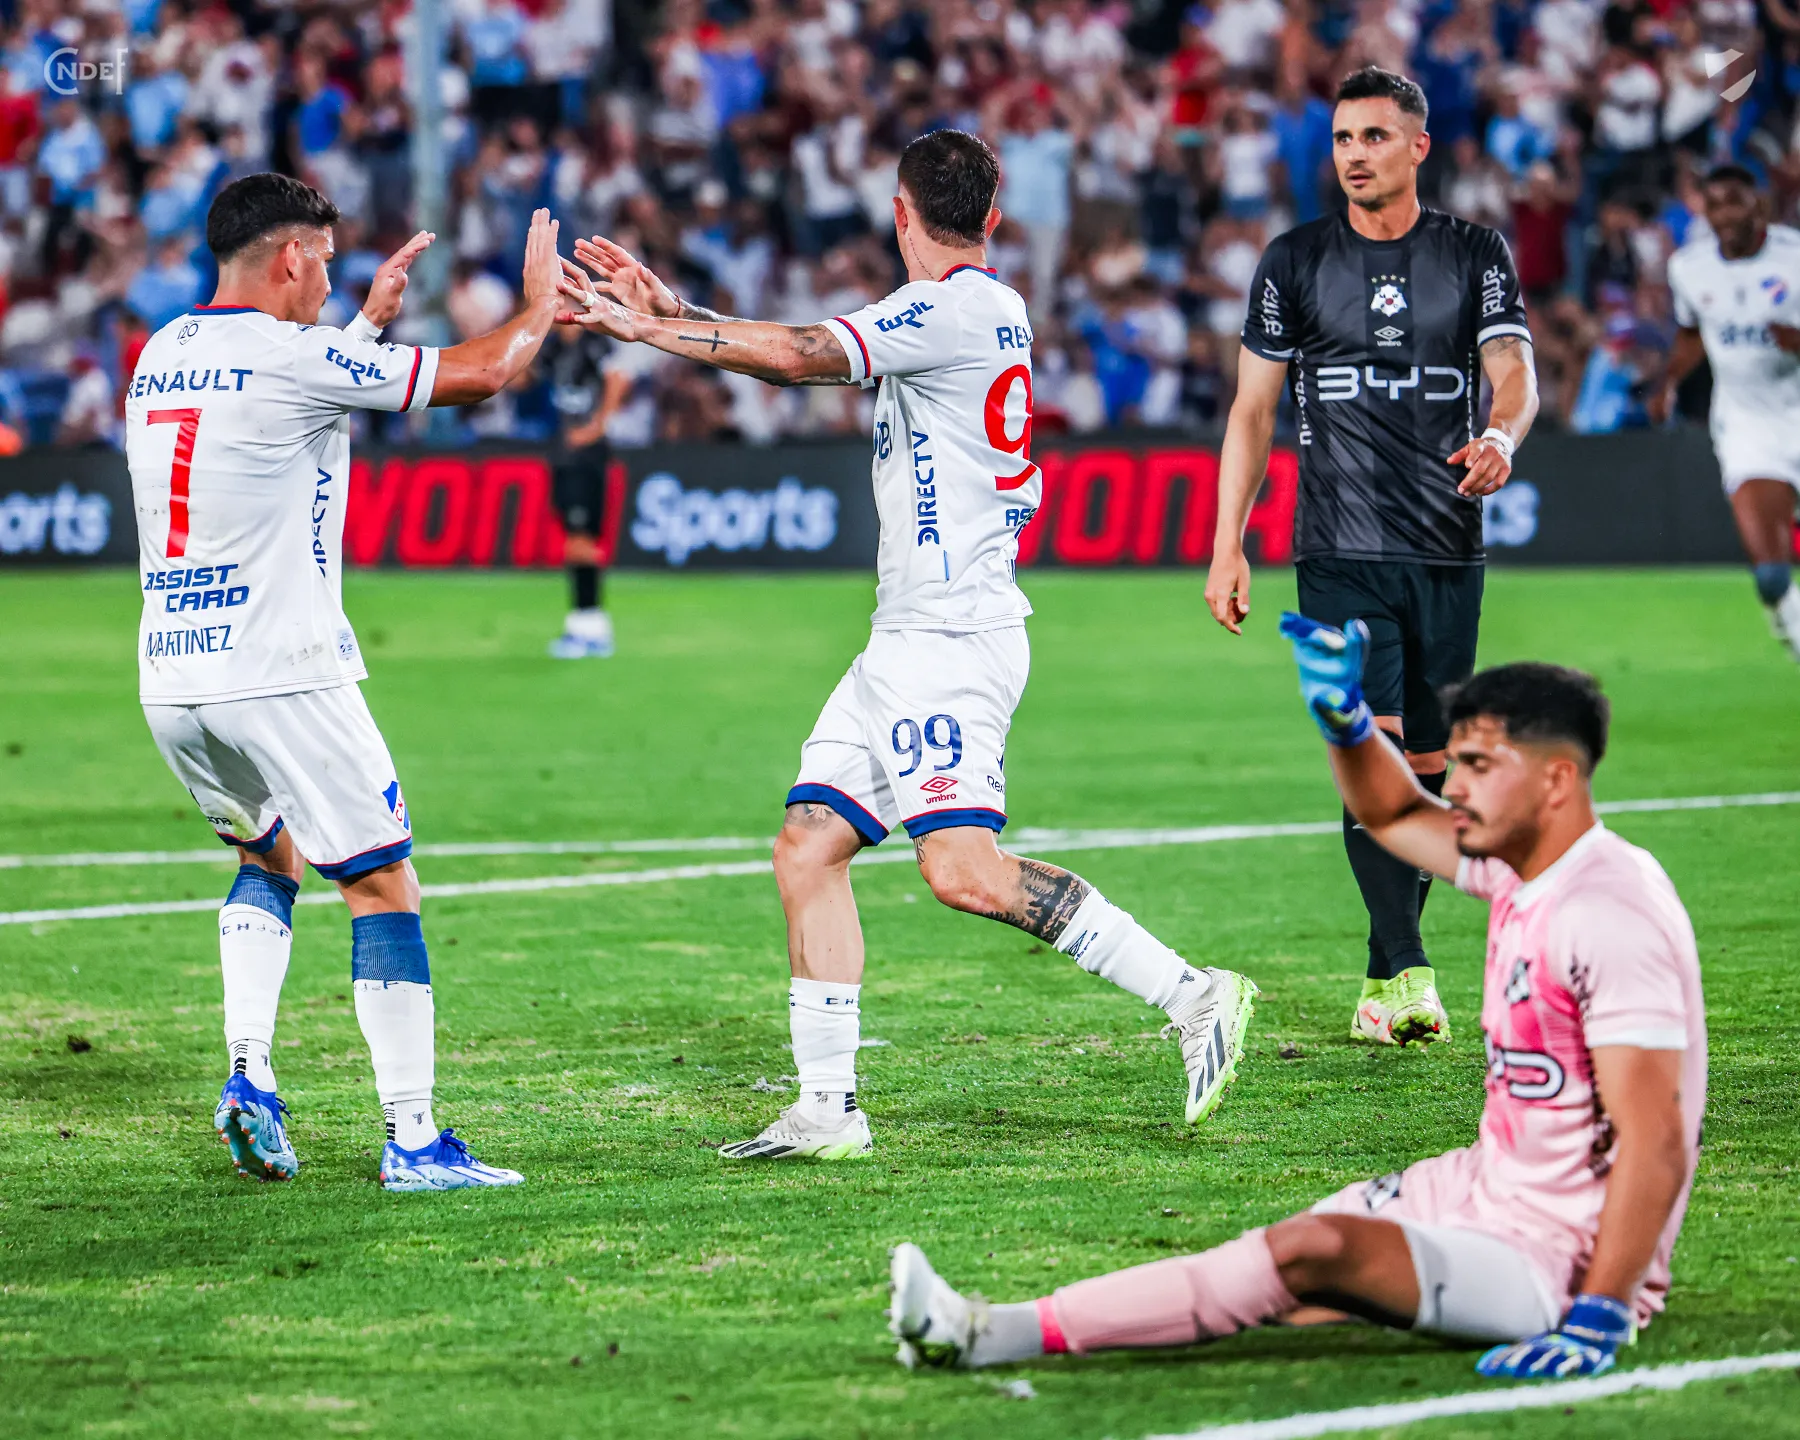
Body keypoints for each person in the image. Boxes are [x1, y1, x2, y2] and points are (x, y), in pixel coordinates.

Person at [557, 129, 1259, 1159]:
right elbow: (804, 352)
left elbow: (799, 355)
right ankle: (826, 1109)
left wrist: (648, 331)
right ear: (993, 217)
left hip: (951, 639)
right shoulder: (963, 310)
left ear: (899, 213)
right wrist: (677, 311)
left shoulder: (949, 310)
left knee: (963, 871)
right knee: (809, 845)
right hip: (906, 639)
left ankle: (1193, 994)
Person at [890, 623, 1705, 1383]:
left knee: (1307, 1254)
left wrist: (1602, 1310)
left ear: (1557, 779)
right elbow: (1393, 811)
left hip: (1563, 1253)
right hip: (1485, 1188)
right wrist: (1348, 722)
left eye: (1479, 767)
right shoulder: (1521, 861)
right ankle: (982, 1330)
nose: (1454, 786)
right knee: (1278, 1271)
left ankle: (986, 1334)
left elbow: (1658, 1138)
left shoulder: (1610, 911)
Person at [125, 174, 567, 1191]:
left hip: (174, 676)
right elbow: (484, 373)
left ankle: (251, 1076)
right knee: (381, 883)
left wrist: (363, 329)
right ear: (289, 257)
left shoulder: (162, 352)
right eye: (323, 261)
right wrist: (540, 305)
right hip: (282, 670)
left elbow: (274, 412)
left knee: (267, 855)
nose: (329, 281)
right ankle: (414, 1140)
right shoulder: (294, 356)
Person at [1204, 66, 1541, 1048]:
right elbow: (1253, 411)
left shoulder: (1473, 253)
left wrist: (1502, 436)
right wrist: (1228, 543)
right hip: (1338, 548)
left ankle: (1379, 977)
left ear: (1418, 147)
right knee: (1373, 748)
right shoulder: (1294, 260)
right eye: (1344, 138)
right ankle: (1409, 970)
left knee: (1429, 767)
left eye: (1375, 137)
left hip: (1446, 548)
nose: (1355, 155)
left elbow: (1513, 371)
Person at [1652, 165, 1800, 662]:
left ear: (1758, 203)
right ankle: (1788, 620)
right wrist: (1669, 383)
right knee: (1772, 575)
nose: (1724, 215)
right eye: (1714, 205)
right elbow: (1693, 332)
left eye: (1734, 201)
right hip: (1749, 425)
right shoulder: (1689, 268)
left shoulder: (1795, 257)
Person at [544, 323, 631, 658]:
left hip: (587, 456)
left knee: (582, 541)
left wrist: (597, 426)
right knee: (574, 541)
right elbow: (525, 379)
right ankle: (585, 624)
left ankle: (590, 626)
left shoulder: (596, 344)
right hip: (564, 453)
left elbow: (619, 378)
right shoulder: (552, 347)